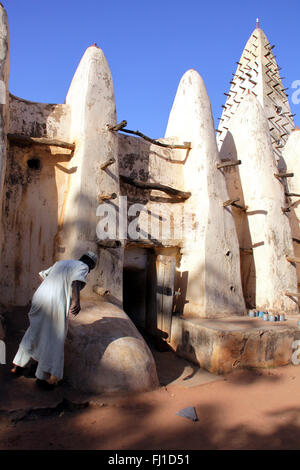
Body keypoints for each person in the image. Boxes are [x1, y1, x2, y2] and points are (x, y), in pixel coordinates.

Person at [11, 251, 98, 390]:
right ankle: (42, 378)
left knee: (33, 332)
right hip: (55, 303)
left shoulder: (62, 263)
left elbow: (41, 275)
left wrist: (51, 288)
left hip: (40, 298)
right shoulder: (83, 266)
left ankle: (17, 367)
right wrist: (76, 301)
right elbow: (76, 281)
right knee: (54, 339)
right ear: (91, 265)